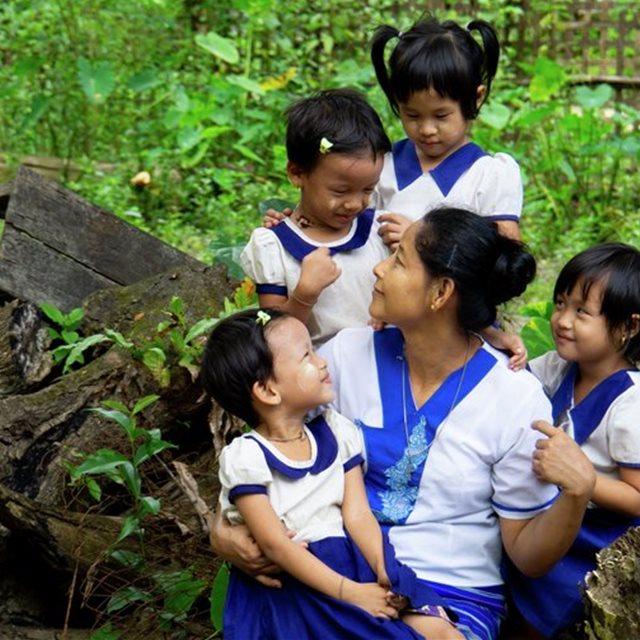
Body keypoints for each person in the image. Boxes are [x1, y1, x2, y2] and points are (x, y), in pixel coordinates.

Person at [211, 208, 596, 640]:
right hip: (338, 572)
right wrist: (222, 532)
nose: (378, 267)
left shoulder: (514, 399)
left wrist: (576, 495)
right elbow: (272, 445)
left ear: (440, 292)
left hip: (449, 594)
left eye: (398, 261)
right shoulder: (342, 358)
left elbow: (528, 556)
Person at [200, 308, 460, 640]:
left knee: (443, 632)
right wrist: (349, 593)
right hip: (299, 584)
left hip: (354, 560)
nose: (322, 361)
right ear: (267, 391)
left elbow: (357, 513)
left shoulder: (335, 430)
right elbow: (275, 545)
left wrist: (384, 570)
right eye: (306, 355)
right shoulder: (247, 456)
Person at [506, 243, 640, 638]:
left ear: (630, 326)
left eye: (582, 311)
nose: (562, 320)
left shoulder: (629, 404)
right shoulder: (557, 367)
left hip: (596, 537)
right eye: (560, 303)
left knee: (549, 613)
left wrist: (582, 478)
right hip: (544, 514)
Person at [240, 88, 390, 346]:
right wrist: (304, 295)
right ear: (297, 173)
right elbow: (273, 339)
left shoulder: (380, 230)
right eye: (340, 191)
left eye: (368, 189)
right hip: (323, 377)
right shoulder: (275, 248)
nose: (355, 204)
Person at [370, 14, 522, 250]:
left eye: (441, 116)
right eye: (412, 115)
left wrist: (421, 240)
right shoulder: (381, 167)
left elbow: (506, 261)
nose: (427, 130)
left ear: (476, 98)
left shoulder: (487, 177)